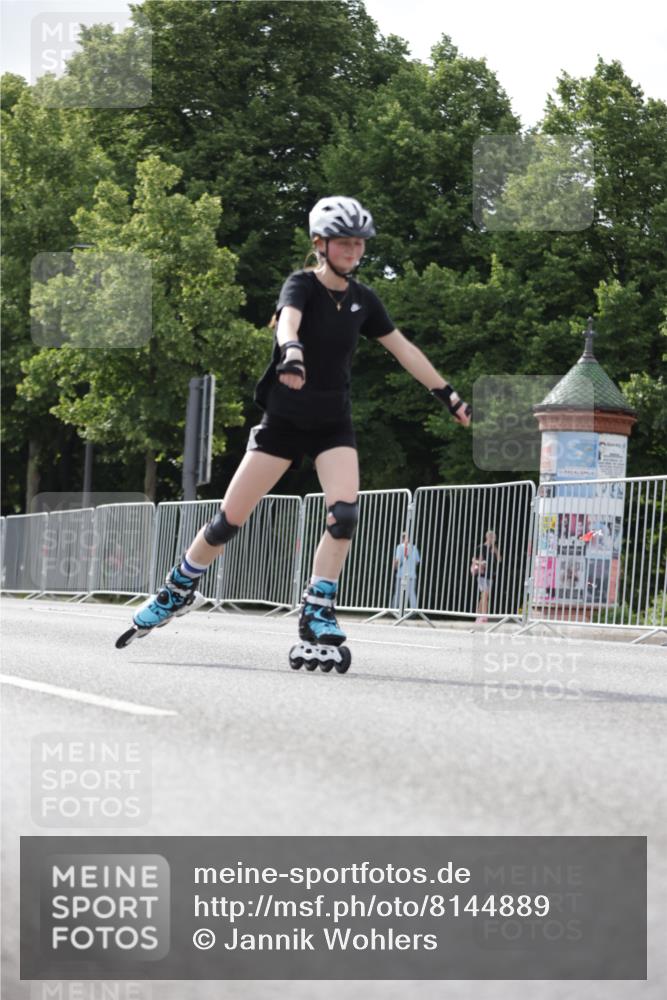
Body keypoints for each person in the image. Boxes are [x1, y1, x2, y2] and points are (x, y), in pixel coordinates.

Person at [124, 196, 471, 650]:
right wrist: (292, 351)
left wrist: (447, 393)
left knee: (345, 515)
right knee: (229, 521)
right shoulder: (302, 285)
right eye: (344, 242)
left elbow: (403, 349)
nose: (354, 251)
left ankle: (317, 608)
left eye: (359, 243)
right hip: (284, 422)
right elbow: (288, 323)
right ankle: (176, 590)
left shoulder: (365, 301)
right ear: (320, 244)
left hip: (332, 424)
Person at [471, 529, 502, 623]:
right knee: (485, 594)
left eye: (495, 538)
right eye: (493, 537)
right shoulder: (480, 547)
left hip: (490, 574)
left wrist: (496, 551)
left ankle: (478, 615)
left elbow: (500, 560)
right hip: (481, 574)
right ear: (488, 537)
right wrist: (481, 563)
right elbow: (473, 560)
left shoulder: (493, 548)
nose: (494, 539)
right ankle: (484, 616)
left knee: (484, 596)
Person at [392, 532, 421, 610]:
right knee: (411, 594)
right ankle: (413, 611)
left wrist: (394, 566)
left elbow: (397, 561)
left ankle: (393, 610)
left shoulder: (400, 547)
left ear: (402, 538)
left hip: (401, 574)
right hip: (412, 575)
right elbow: (417, 562)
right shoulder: (414, 548)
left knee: (398, 593)